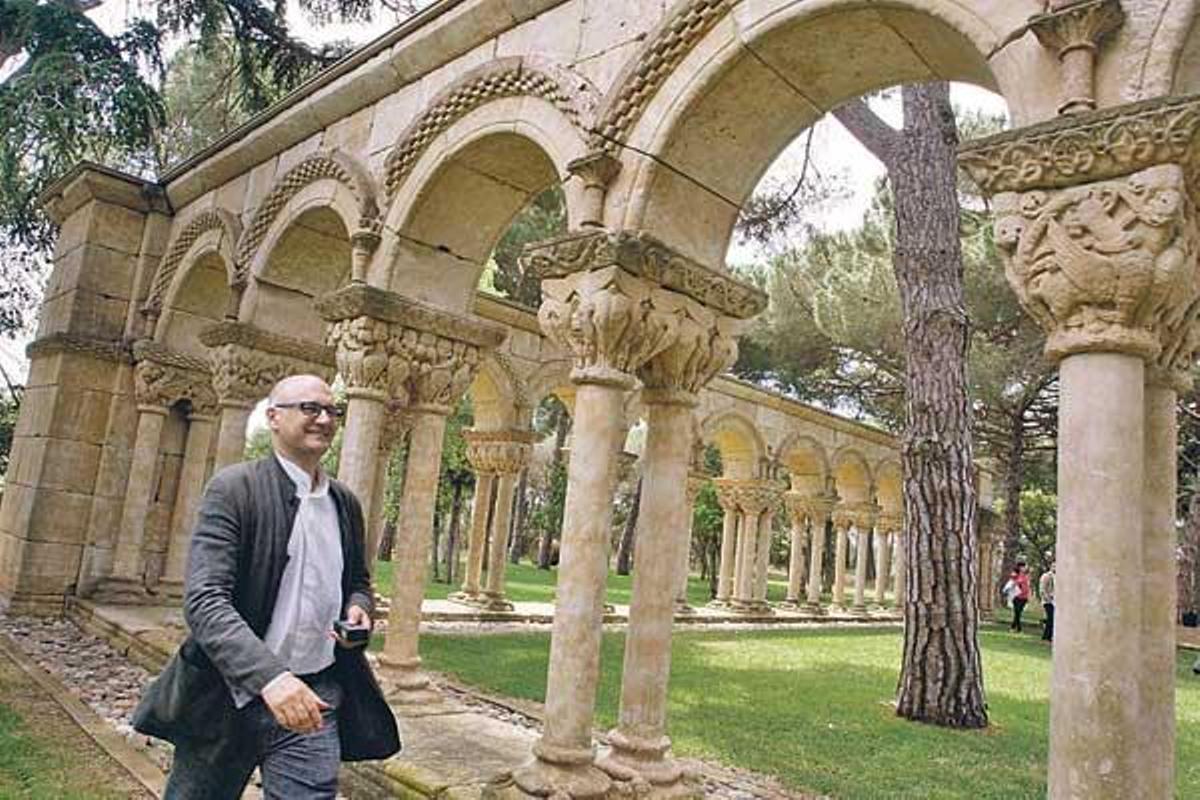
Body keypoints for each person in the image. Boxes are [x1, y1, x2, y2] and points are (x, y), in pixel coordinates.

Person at [133, 374, 400, 799]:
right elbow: (205, 601)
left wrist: (358, 605)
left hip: (315, 698)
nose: (324, 419)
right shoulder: (234, 488)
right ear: (274, 417)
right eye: (310, 408)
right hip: (226, 698)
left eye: (333, 410)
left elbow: (358, 581)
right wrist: (270, 678)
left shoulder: (344, 503)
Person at [1008, 562, 1032, 633]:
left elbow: (1028, 586)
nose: (1025, 568)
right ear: (1020, 567)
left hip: (1024, 597)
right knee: (1017, 612)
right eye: (1023, 567)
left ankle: (1014, 628)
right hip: (1016, 596)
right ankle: (1017, 628)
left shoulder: (1026, 576)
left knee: (1018, 613)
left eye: (1025, 567)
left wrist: (1028, 596)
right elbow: (1012, 583)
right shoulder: (1015, 575)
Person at [1039, 562, 1056, 642]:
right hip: (1048, 601)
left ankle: (1049, 636)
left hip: (1055, 601)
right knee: (1051, 618)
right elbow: (1042, 589)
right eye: (1054, 566)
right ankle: (1046, 637)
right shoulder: (1046, 576)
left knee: (1052, 619)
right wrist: (1047, 598)